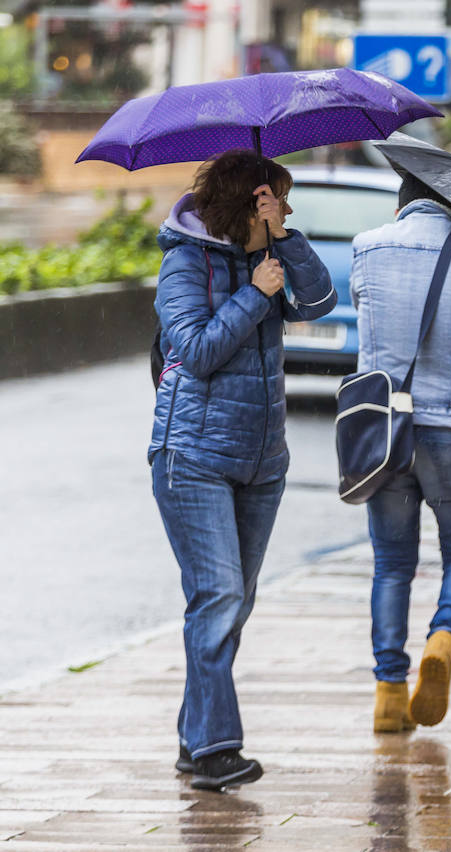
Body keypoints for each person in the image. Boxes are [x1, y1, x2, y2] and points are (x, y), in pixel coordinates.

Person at [150, 149, 336, 790]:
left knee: (233, 602)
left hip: (262, 461)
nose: (287, 208)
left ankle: (191, 735)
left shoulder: (271, 256)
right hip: (192, 455)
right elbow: (196, 351)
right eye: (280, 200)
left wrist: (284, 242)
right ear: (249, 201)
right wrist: (255, 298)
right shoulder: (184, 261)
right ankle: (215, 751)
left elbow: (318, 304)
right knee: (220, 596)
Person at [350, 173, 451, 734]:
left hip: (384, 429)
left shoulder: (367, 247)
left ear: (404, 205)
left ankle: (388, 694)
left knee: (391, 564)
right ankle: (443, 636)